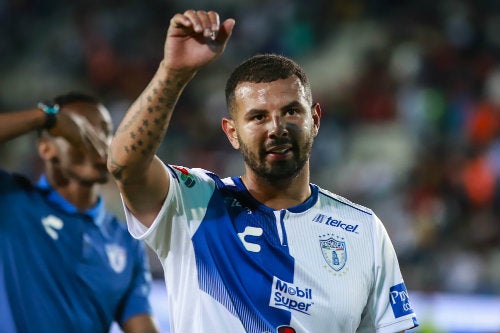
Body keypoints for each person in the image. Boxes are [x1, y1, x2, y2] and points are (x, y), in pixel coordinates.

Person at [107, 9, 419, 333]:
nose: (277, 128)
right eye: (258, 117)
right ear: (231, 132)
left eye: (291, 111)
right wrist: (173, 73)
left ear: (315, 119)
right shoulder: (195, 204)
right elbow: (124, 165)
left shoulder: (361, 229)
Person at [0, 92, 160, 333]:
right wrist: (46, 118)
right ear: (46, 149)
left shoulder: (126, 241)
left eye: (105, 131)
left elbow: (141, 327)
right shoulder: (12, 201)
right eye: (81, 131)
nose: (98, 142)